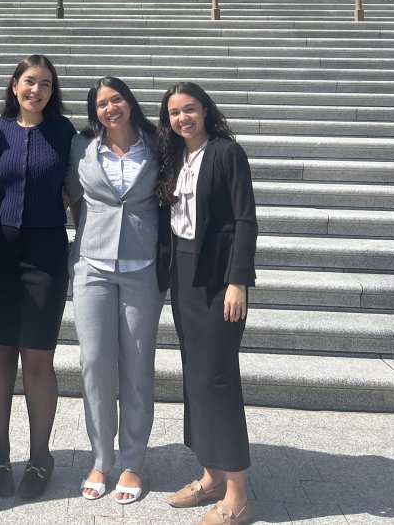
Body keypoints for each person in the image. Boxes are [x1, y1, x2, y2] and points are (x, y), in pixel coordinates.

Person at [0, 54, 77, 500]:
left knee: (38, 355)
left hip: (47, 251)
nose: (37, 90)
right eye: (30, 82)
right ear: (14, 85)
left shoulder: (65, 133)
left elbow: (76, 191)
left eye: (47, 85)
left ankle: (40, 456)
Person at [156, 82, 258, 525]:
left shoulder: (226, 152)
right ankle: (210, 475)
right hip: (182, 274)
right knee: (196, 375)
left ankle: (237, 495)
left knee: (217, 379)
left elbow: (245, 218)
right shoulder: (174, 157)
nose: (183, 119)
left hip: (218, 279)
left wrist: (239, 281)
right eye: (175, 112)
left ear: (205, 111)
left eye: (190, 110)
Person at [65, 78, 170, 504]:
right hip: (92, 265)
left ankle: (133, 462)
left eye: (117, 100)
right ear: (95, 111)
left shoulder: (158, 144)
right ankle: (101, 458)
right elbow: (73, 195)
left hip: (142, 267)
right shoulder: (81, 147)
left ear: (129, 102)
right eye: (102, 104)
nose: (111, 108)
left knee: (137, 365)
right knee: (93, 362)